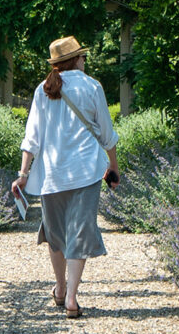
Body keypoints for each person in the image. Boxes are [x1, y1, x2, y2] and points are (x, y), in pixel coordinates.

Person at [11, 36, 121, 319]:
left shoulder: (43, 89)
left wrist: (23, 174)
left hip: (52, 173)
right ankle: (71, 297)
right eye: (82, 56)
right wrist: (113, 166)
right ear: (76, 59)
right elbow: (106, 133)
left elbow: (31, 137)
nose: (85, 60)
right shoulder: (91, 86)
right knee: (80, 230)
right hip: (86, 173)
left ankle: (60, 289)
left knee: (57, 233)